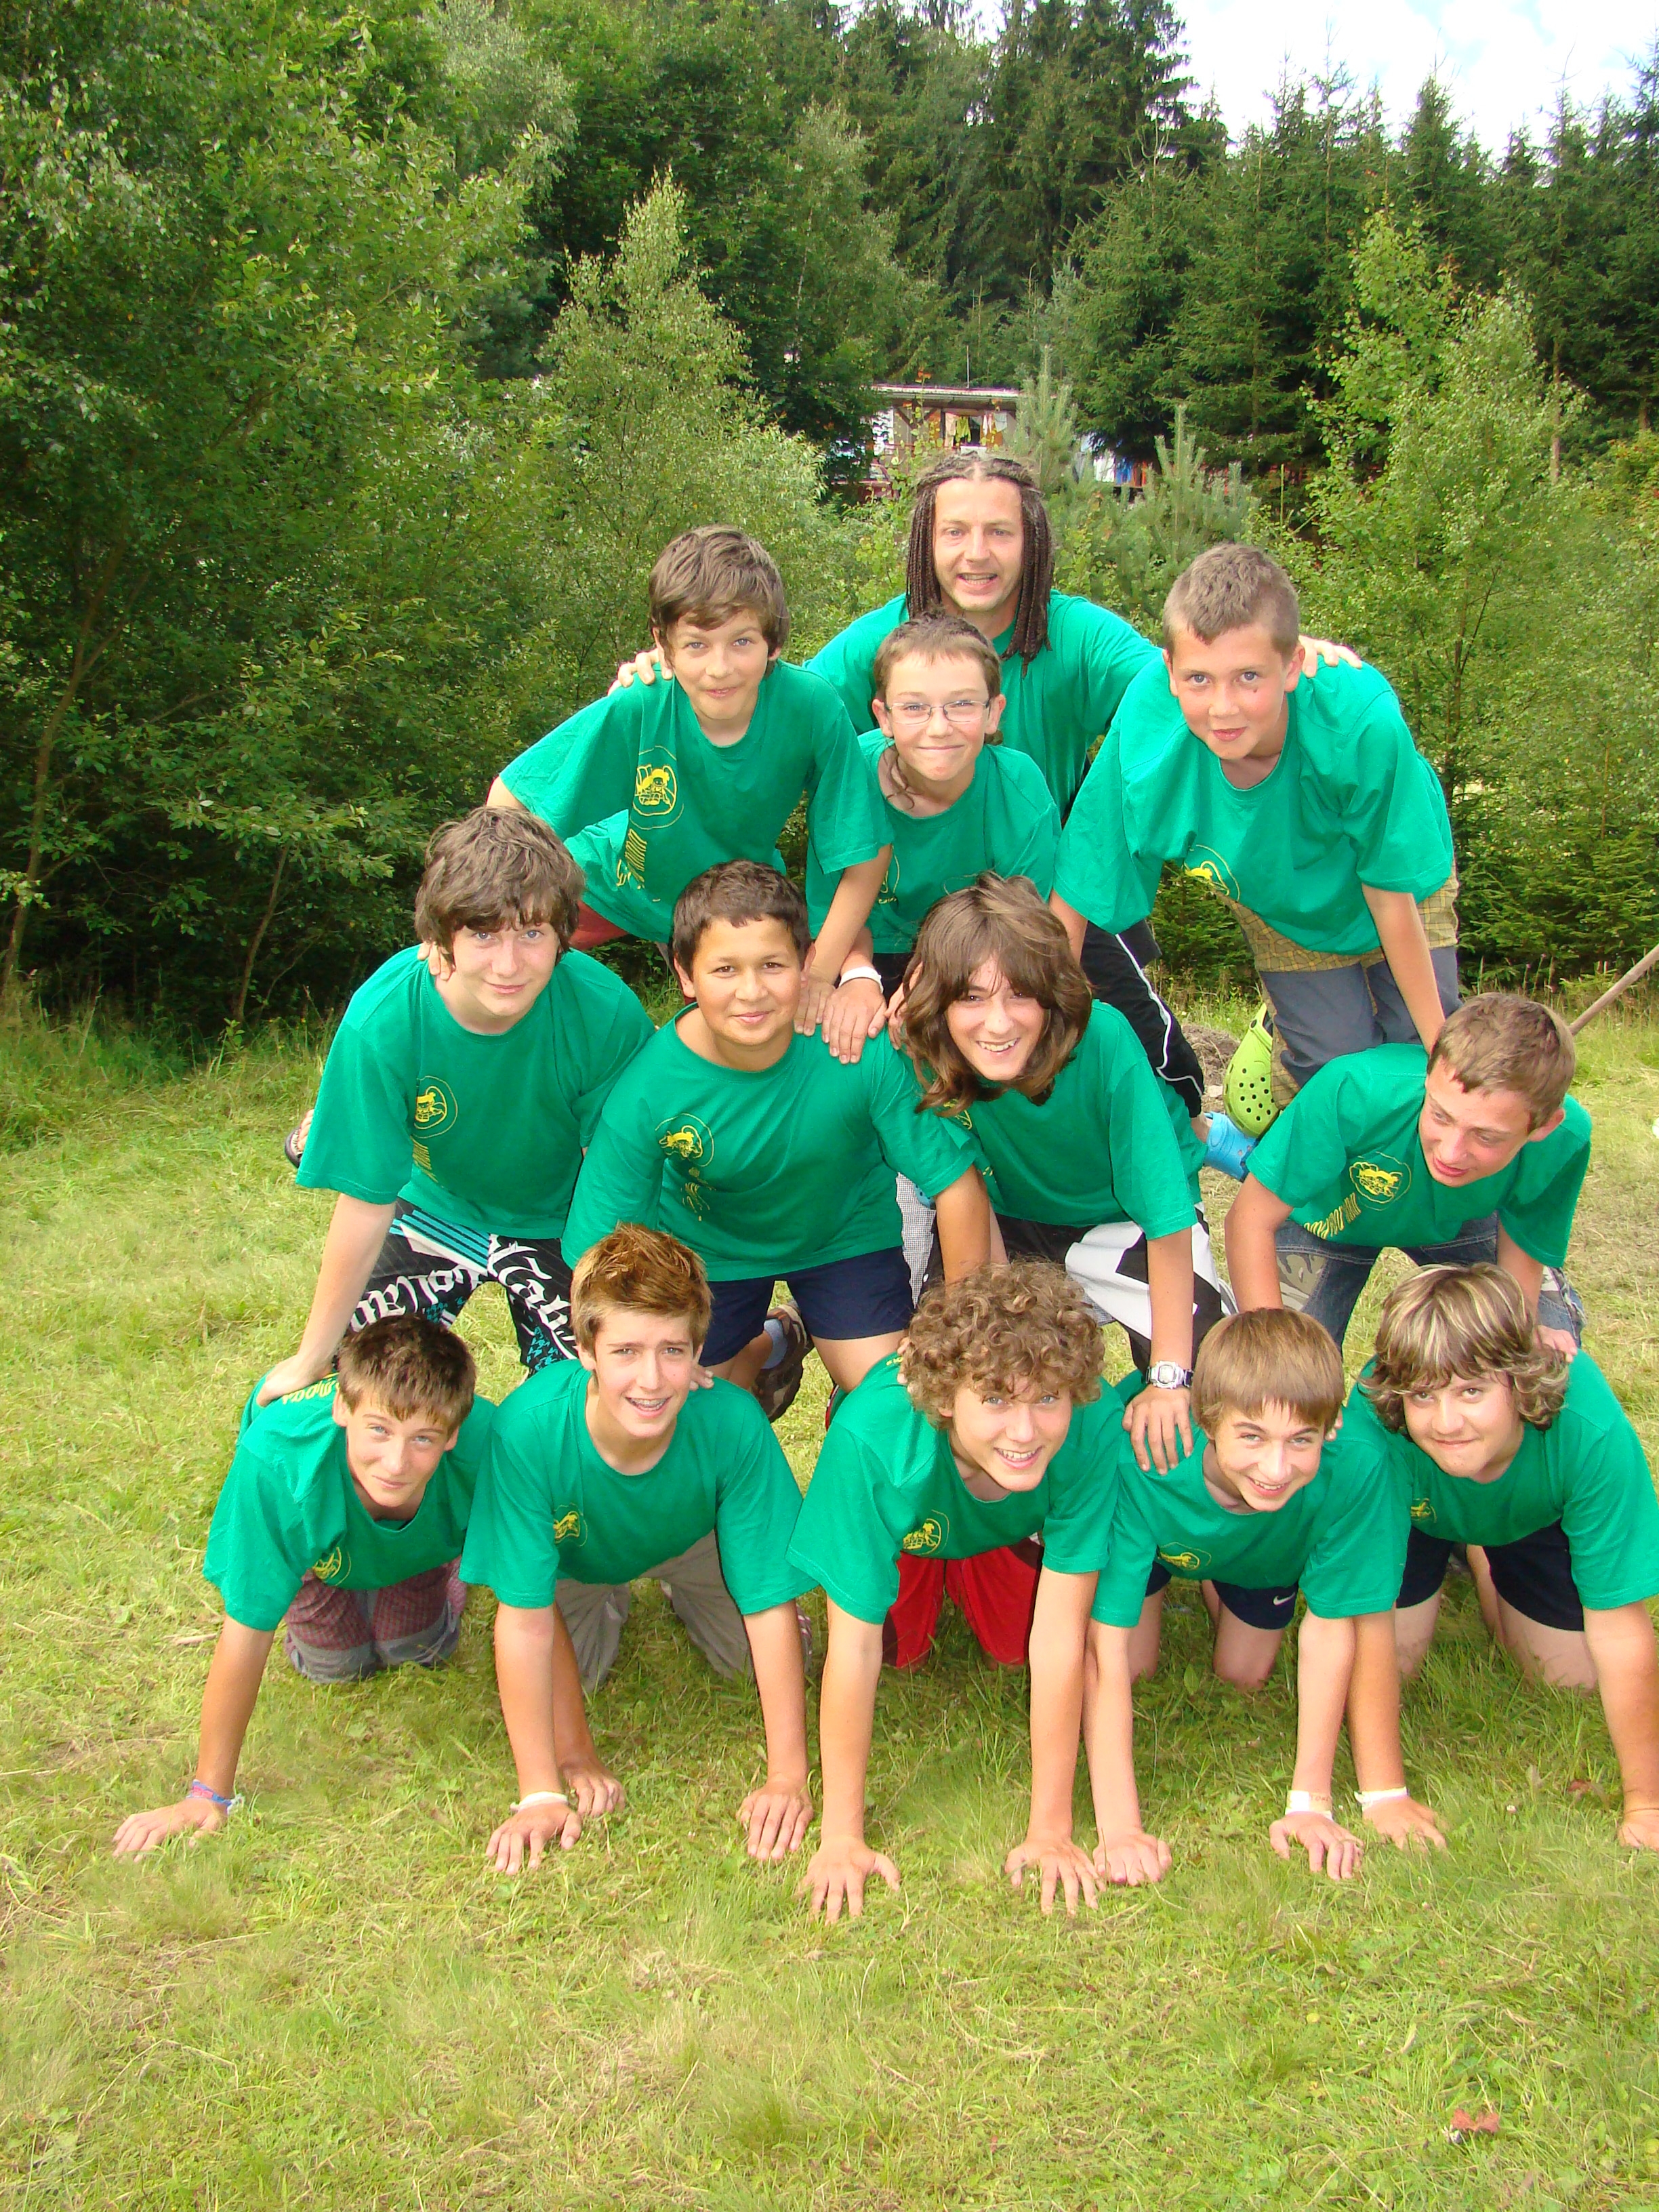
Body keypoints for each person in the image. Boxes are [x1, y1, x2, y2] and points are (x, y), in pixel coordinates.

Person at [613, 454, 1214, 1118]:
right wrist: (678, 668)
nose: (976, 553)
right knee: (849, 1035)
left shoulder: (1076, 635)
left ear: (1033, 540)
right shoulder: (880, 641)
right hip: (893, 915)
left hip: (1036, 885)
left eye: (999, 531)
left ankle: (1185, 1133)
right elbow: (771, 704)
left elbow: (1182, 692)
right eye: (955, 531)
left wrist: (1271, 666)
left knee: (1113, 1030)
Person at [561, 862, 992, 1407]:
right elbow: (599, 1246)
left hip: (842, 1237)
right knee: (684, 1403)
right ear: (686, 975)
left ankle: (818, 1340)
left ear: (807, 964)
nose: (751, 991)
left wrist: (957, 1333)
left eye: (772, 965)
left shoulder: (856, 1049)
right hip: (708, 1251)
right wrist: (619, 1352)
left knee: (897, 1399)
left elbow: (957, 1184)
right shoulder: (650, 1087)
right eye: (724, 969)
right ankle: (772, 1345)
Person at [1050, 541, 1458, 1111]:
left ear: (1291, 666)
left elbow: (1390, 894)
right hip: (1281, 905)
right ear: (1169, 673)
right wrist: (1047, 1017)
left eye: (1248, 677)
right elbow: (1085, 870)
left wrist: (1443, 1054)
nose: (1223, 707)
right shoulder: (1148, 721)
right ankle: (1286, 1035)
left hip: (1401, 886)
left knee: (1417, 1052)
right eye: (1199, 679)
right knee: (1332, 1076)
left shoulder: (1360, 723)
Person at [459, 1226, 817, 1875]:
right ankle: (606, 1594)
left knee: (760, 1659)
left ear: (699, 1351)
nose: (651, 1380)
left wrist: (788, 1776)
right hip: (577, 1555)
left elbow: (768, 1599)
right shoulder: (528, 1430)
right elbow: (524, 1617)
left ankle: (682, 1587)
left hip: (692, 1535)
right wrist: (546, 1787)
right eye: (625, 1351)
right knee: (561, 1681)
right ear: (585, 1349)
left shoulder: (731, 1421)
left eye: (672, 1351)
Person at [264, 808, 653, 1403]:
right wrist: (312, 1357)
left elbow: (621, 1181)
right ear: (440, 937)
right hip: (431, 1201)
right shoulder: (385, 1018)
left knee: (592, 1400)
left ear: (564, 934)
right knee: (353, 1389)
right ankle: (323, 1136)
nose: (508, 965)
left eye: (532, 933)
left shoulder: (603, 1013)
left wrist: (616, 1327)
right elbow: (366, 1201)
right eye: (483, 934)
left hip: (565, 1218)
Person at [787, 1263, 1126, 1921]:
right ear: (946, 1398)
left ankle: (978, 1553)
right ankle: (930, 1545)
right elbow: (852, 1648)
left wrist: (1051, 1830)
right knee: (897, 1649)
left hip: (1006, 1516)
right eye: (996, 1399)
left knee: (1015, 1647)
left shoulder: (1092, 1425)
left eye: (1047, 1398)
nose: (1026, 1429)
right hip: (914, 1512)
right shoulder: (873, 1438)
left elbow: (1061, 1636)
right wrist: (841, 1837)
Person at [1084, 1309, 1443, 1886]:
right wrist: (1121, 1830)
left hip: (1265, 1549)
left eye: (1301, 1440)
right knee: (1133, 1667)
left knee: (1243, 1673)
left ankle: (1224, 1572)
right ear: (1206, 1419)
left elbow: (1340, 1622)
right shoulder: (1145, 1453)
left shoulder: (1358, 1463)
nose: (1276, 1466)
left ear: (1331, 1427)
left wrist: (1314, 1804)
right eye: (1251, 1436)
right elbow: (1103, 1647)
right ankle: (1179, 1570)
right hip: (1157, 1534)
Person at [112, 1317, 490, 1855]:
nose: (396, 1462)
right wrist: (208, 1794)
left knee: (416, 1649)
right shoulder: (277, 1461)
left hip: (417, 1547)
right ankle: (310, 1572)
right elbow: (246, 1628)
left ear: (452, 1435)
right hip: (314, 1538)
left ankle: (433, 1562)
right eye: (378, 1430)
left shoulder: (488, 1445)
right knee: (336, 1666)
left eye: (424, 1439)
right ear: (342, 1409)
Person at [490, 525, 889, 1029]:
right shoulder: (643, 701)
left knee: (748, 1036)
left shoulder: (810, 708)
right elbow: (509, 800)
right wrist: (483, 911)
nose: (719, 668)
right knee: (492, 965)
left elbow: (866, 854)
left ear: (773, 642)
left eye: (741, 641)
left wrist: (820, 975)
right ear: (664, 644)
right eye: (696, 645)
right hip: (612, 878)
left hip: (728, 901)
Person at [899, 875, 1231, 1471]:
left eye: (1020, 994)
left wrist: (1169, 1377)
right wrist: (977, 1327)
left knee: (1212, 1379)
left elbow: (1165, 1215)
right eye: (971, 997)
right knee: (938, 1374)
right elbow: (965, 1194)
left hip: (1119, 1219)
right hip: (1009, 1216)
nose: (997, 1024)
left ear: (1052, 994)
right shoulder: (928, 1053)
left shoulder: (1103, 1038)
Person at [1350, 1265, 1659, 1853]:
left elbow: (1621, 1625)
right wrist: (1385, 1795)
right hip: (1417, 1515)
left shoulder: (1588, 1426)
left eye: (1472, 1391)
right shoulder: (1375, 1427)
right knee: (1390, 1665)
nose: (1447, 1422)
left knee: (1571, 1678)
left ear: (1519, 1381)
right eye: (1423, 1395)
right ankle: (1464, 1539)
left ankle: (1484, 1552)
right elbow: (1361, 1610)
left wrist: (1648, 1805)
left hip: (1530, 1515)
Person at [1225, 994, 1587, 1358]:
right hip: (1326, 1215)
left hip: (1460, 1218)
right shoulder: (1354, 1089)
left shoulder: (1565, 1138)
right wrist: (1273, 1352)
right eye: (1440, 1116)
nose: (1450, 1153)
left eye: (1486, 1136)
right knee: (1287, 1367)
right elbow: (1250, 1221)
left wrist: (1518, 1334)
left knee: (1540, 1356)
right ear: (1428, 1076)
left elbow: (1522, 1252)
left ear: (1544, 1126)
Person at [804, 612, 1059, 1057]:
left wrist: (928, 982)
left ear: (994, 713)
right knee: (837, 1040)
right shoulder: (850, 774)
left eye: (962, 705)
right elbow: (830, 909)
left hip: (978, 953)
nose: (939, 727)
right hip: (865, 945)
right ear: (883, 716)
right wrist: (858, 976)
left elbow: (1021, 925)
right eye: (914, 707)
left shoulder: (1020, 790)